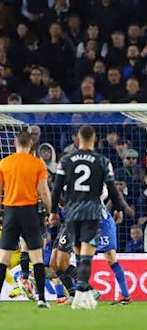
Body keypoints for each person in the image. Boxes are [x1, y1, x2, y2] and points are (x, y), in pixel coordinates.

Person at [49, 125, 123, 310]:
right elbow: (112, 188)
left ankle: (81, 296)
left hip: (73, 214)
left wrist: (53, 212)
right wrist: (119, 208)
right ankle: (84, 296)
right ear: (94, 139)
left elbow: (56, 189)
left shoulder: (66, 160)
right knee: (85, 258)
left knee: (74, 257)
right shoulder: (102, 160)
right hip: (91, 213)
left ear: (78, 139)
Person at [0, 131, 52, 308]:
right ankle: (42, 299)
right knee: (37, 256)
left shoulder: (5, 163)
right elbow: (44, 191)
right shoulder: (37, 164)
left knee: (4, 257)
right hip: (30, 212)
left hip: (11, 211)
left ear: (15, 143)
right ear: (31, 144)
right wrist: (51, 211)